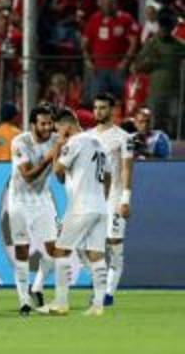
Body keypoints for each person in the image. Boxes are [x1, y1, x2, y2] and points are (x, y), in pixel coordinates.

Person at [46, 108, 110, 317]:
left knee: (61, 250)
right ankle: (98, 306)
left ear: (66, 126)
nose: (58, 134)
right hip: (100, 206)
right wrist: (101, 197)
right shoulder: (98, 143)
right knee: (96, 256)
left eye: (58, 130)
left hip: (81, 206)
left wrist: (58, 145)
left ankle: (61, 302)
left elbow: (57, 171)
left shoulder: (75, 142)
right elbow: (107, 176)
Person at [8, 105, 60, 316]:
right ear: (33, 125)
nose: (47, 127)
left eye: (50, 123)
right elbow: (28, 175)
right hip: (19, 199)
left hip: (42, 199)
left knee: (55, 249)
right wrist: (50, 157)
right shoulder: (20, 142)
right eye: (43, 123)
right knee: (22, 250)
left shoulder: (56, 140)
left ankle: (37, 286)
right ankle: (24, 302)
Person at [89, 93, 134, 306]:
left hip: (114, 197)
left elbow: (126, 169)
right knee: (93, 247)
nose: (98, 111)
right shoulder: (86, 137)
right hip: (92, 199)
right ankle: (99, 288)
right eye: (96, 107)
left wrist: (125, 198)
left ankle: (109, 293)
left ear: (113, 110)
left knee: (114, 244)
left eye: (103, 108)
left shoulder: (124, 138)